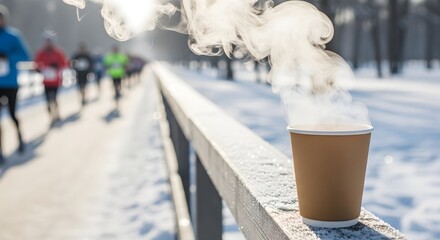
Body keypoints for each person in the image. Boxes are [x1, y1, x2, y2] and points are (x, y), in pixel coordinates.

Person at [0, 5, 30, 163]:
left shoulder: (13, 36)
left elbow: (25, 56)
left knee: (12, 115)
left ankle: (20, 138)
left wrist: (8, 57)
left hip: (10, 83)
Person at [35, 34, 68, 126]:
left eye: (49, 42)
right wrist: (38, 69)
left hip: (56, 81)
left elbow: (64, 64)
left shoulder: (58, 52)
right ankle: (51, 116)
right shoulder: (41, 53)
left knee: (54, 98)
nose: (48, 44)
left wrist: (57, 66)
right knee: (48, 100)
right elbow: (37, 64)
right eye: (46, 42)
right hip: (46, 81)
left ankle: (57, 114)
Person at [104, 45, 128, 111]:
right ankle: (116, 92)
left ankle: (118, 91)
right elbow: (106, 63)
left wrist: (125, 68)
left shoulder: (121, 56)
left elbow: (125, 62)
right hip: (113, 74)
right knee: (115, 85)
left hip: (120, 74)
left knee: (119, 84)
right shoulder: (110, 57)